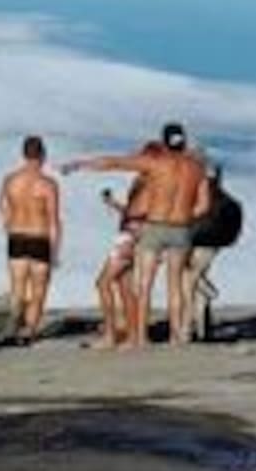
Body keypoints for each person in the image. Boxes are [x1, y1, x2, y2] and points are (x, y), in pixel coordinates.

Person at [63, 122, 211, 348]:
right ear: (184, 142)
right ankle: (176, 336)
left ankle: (140, 338)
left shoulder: (156, 163)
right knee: (175, 285)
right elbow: (203, 206)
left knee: (144, 284)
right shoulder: (197, 169)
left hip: (155, 226)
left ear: (164, 143)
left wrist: (79, 164)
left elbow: (114, 163)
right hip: (181, 229)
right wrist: (184, 216)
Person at [92, 142, 156, 349]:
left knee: (102, 283)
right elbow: (133, 212)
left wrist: (135, 240)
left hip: (129, 238)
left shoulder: (153, 184)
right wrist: (113, 204)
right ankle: (133, 336)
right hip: (127, 234)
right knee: (124, 287)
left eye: (143, 157)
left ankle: (111, 335)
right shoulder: (141, 181)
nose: (138, 160)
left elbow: (150, 216)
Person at [0, 136, 62, 344]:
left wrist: (8, 225)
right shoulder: (48, 184)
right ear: (43, 155)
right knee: (38, 289)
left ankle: (13, 328)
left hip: (17, 236)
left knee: (17, 288)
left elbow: (2, 207)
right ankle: (28, 332)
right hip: (38, 237)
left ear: (24, 154)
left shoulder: (10, 180)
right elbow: (54, 220)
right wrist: (55, 251)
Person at [182, 163, 243, 341]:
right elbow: (234, 225)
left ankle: (187, 329)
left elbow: (190, 219)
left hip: (197, 240)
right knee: (195, 278)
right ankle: (203, 330)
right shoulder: (228, 200)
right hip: (214, 244)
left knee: (188, 279)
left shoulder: (196, 197)